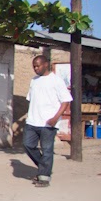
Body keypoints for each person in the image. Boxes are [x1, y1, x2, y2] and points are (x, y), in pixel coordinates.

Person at [24, 55, 72, 187]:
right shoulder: (34, 81)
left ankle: (44, 178)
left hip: (48, 123)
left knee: (46, 150)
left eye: (38, 65)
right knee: (28, 145)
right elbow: (31, 99)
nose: (35, 68)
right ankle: (44, 168)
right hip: (32, 121)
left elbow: (66, 101)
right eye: (34, 66)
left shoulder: (56, 81)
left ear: (46, 64)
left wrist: (55, 118)